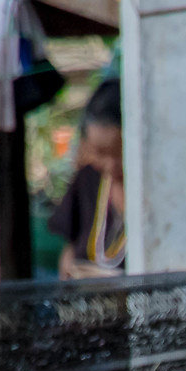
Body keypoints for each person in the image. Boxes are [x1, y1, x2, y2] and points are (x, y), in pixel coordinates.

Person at [51, 81, 126, 279]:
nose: (109, 165)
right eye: (100, 153)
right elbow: (70, 247)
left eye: (118, 155)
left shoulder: (151, 191)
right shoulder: (88, 179)